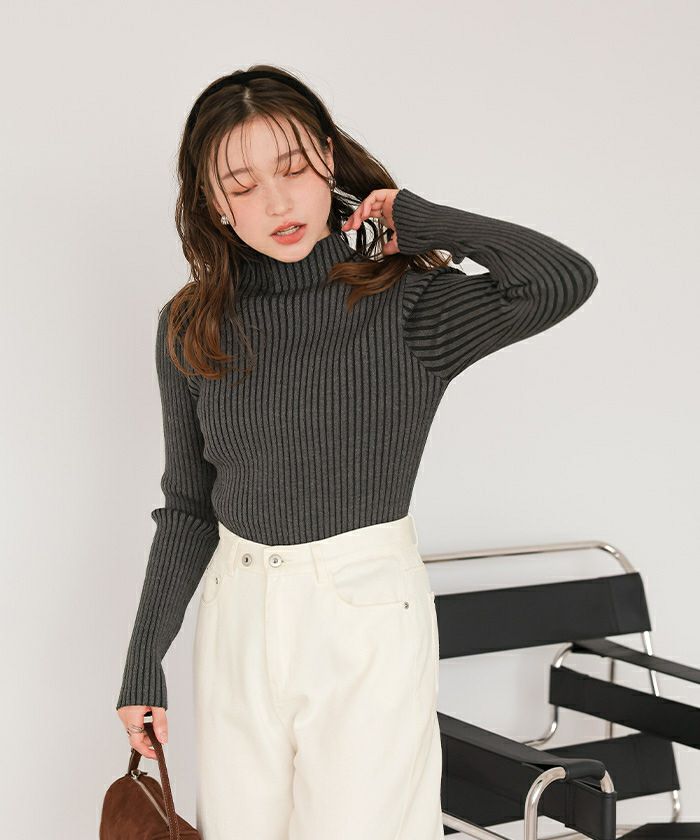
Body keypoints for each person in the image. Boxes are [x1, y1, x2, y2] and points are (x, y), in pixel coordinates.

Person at [115, 64, 598, 840]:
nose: (277, 203)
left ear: (329, 160)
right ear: (213, 203)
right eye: (242, 185)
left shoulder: (404, 305)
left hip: (364, 614)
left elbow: (561, 279)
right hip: (238, 615)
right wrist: (145, 662)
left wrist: (419, 219)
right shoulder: (192, 324)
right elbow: (190, 507)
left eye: (293, 168)